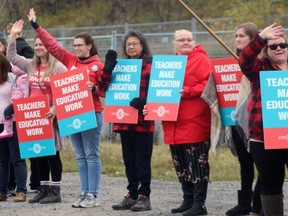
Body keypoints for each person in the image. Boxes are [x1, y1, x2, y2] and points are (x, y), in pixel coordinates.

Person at [27, 8, 117, 208]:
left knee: (91, 154)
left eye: (79, 45)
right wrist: (36, 26)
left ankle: (93, 194)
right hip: (71, 114)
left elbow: (104, 91)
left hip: (91, 113)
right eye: (74, 45)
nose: (76, 48)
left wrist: (93, 87)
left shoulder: (98, 66)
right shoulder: (70, 60)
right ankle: (84, 193)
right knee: (80, 155)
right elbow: (52, 44)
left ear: (89, 46)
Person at [144, 29, 211, 215]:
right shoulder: (169, 64)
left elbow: (208, 85)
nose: (186, 43)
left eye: (189, 39)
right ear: (174, 43)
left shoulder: (201, 60)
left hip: (194, 121)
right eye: (181, 40)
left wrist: (187, 90)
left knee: (197, 164)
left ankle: (200, 203)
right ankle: (188, 199)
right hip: (173, 121)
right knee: (181, 164)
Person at [7, 19, 68, 204]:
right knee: (38, 153)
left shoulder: (58, 67)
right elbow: (11, 56)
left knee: (52, 154)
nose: (39, 47)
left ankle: (55, 191)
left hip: (50, 117)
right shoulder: (29, 65)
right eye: (36, 44)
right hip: (33, 117)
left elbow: (65, 91)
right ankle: (43, 188)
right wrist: (13, 35)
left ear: (48, 47)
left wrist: (55, 109)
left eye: (42, 44)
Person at [238, 23, 287, 216]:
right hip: (264, 138)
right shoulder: (260, 69)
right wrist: (261, 37)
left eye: (283, 45)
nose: (279, 49)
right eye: (272, 46)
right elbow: (244, 61)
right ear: (266, 51)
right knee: (270, 183)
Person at [111, 30, 154, 212]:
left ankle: (144, 196)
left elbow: (160, 90)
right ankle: (132, 194)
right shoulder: (121, 66)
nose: (131, 47)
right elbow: (109, 87)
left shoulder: (151, 66)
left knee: (142, 160)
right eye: (128, 44)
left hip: (143, 120)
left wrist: (146, 101)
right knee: (129, 160)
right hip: (124, 120)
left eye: (135, 43)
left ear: (142, 46)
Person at [225, 22, 263, 216]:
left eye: (242, 36)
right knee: (245, 163)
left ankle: (260, 204)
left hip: (255, 119)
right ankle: (244, 204)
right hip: (237, 118)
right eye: (236, 36)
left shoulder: (258, 61)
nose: (238, 39)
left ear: (253, 38)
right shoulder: (235, 59)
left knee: (263, 165)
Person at [6, 22, 40, 194]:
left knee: (31, 151)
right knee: (15, 154)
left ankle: (35, 184)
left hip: (31, 112)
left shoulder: (28, 64)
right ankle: (23, 184)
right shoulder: (14, 70)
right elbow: (11, 57)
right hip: (14, 114)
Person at [0, 53, 28, 202]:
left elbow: (21, 96)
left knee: (17, 158)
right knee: (2, 160)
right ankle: (2, 191)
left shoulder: (12, 79)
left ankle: (21, 190)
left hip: (14, 123)